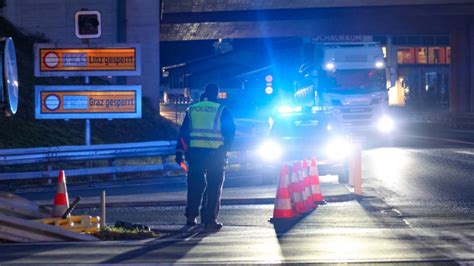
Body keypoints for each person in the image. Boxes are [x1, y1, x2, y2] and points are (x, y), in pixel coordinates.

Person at [175, 83, 235, 231]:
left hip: (194, 154)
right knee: (213, 187)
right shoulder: (221, 110)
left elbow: (183, 133)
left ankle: (190, 217)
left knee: (195, 185)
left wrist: (179, 152)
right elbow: (230, 132)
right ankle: (209, 221)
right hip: (215, 155)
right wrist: (225, 149)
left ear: (204, 93)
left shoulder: (193, 109)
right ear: (216, 94)